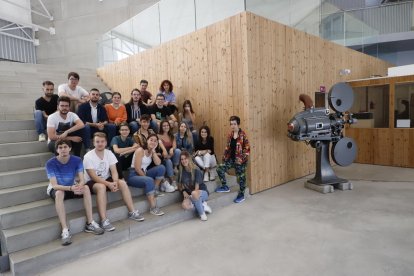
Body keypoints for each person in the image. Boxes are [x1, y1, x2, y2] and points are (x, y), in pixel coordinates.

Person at [45, 140, 104, 246]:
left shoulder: (77, 160)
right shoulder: (50, 163)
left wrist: (79, 185)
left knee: (86, 188)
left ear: (70, 148)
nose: (63, 149)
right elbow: (54, 185)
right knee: (59, 193)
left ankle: (90, 223)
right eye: (60, 147)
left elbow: (82, 179)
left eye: (65, 147)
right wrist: (71, 188)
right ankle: (65, 230)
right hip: (59, 188)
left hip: (72, 186)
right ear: (57, 150)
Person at [83, 132, 144, 231]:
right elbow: (93, 177)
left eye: (102, 141)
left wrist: (115, 182)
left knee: (122, 183)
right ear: (93, 143)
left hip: (107, 179)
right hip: (92, 182)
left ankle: (132, 212)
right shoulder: (88, 156)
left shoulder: (109, 153)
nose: (100, 144)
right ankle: (104, 220)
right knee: (101, 187)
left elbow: (114, 171)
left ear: (106, 142)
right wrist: (109, 184)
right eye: (97, 141)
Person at [127, 133, 165, 216]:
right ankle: (153, 207)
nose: (153, 142)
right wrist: (147, 179)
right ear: (147, 141)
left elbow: (158, 163)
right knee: (149, 180)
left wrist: (154, 152)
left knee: (161, 168)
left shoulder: (151, 151)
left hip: (144, 172)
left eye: (155, 141)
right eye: (151, 140)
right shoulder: (140, 150)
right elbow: (137, 168)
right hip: (134, 175)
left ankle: (154, 189)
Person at [215, 116, 250, 203]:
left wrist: (241, 159)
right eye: (231, 124)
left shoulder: (243, 135)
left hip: (240, 161)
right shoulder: (230, 135)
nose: (233, 126)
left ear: (238, 124)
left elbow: (247, 149)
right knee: (219, 168)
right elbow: (228, 147)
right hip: (231, 160)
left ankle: (242, 194)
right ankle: (225, 187)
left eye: (234, 124)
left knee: (241, 178)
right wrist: (224, 157)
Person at [177, 151, 212, 221]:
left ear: (189, 159)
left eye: (185, 158)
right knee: (185, 205)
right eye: (182, 159)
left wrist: (190, 196)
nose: (184, 161)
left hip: (201, 193)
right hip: (191, 195)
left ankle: (202, 214)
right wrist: (184, 192)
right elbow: (179, 185)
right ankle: (203, 205)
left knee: (194, 193)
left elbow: (196, 188)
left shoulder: (196, 170)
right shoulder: (181, 171)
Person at [158, 120, 180, 190]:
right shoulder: (158, 135)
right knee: (168, 161)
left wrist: (171, 149)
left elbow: (174, 146)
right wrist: (165, 152)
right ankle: (172, 180)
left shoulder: (171, 135)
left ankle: (175, 167)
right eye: (164, 126)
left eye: (167, 125)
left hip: (171, 155)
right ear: (161, 127)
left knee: (177, 151)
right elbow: (161, 145)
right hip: (163, 157)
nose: (166, 127)